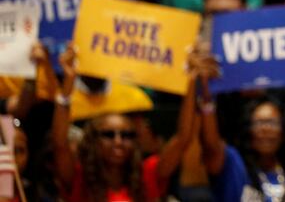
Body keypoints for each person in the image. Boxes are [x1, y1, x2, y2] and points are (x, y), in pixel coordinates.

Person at [51, 43, 202, 201]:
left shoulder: (148, 175)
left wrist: (190, 81)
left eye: (127, 135)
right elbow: (60, 144)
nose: (119, 141)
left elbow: (183, 139)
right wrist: (67, 85)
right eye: (109, 135)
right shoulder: (78, 179)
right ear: (93, 140)